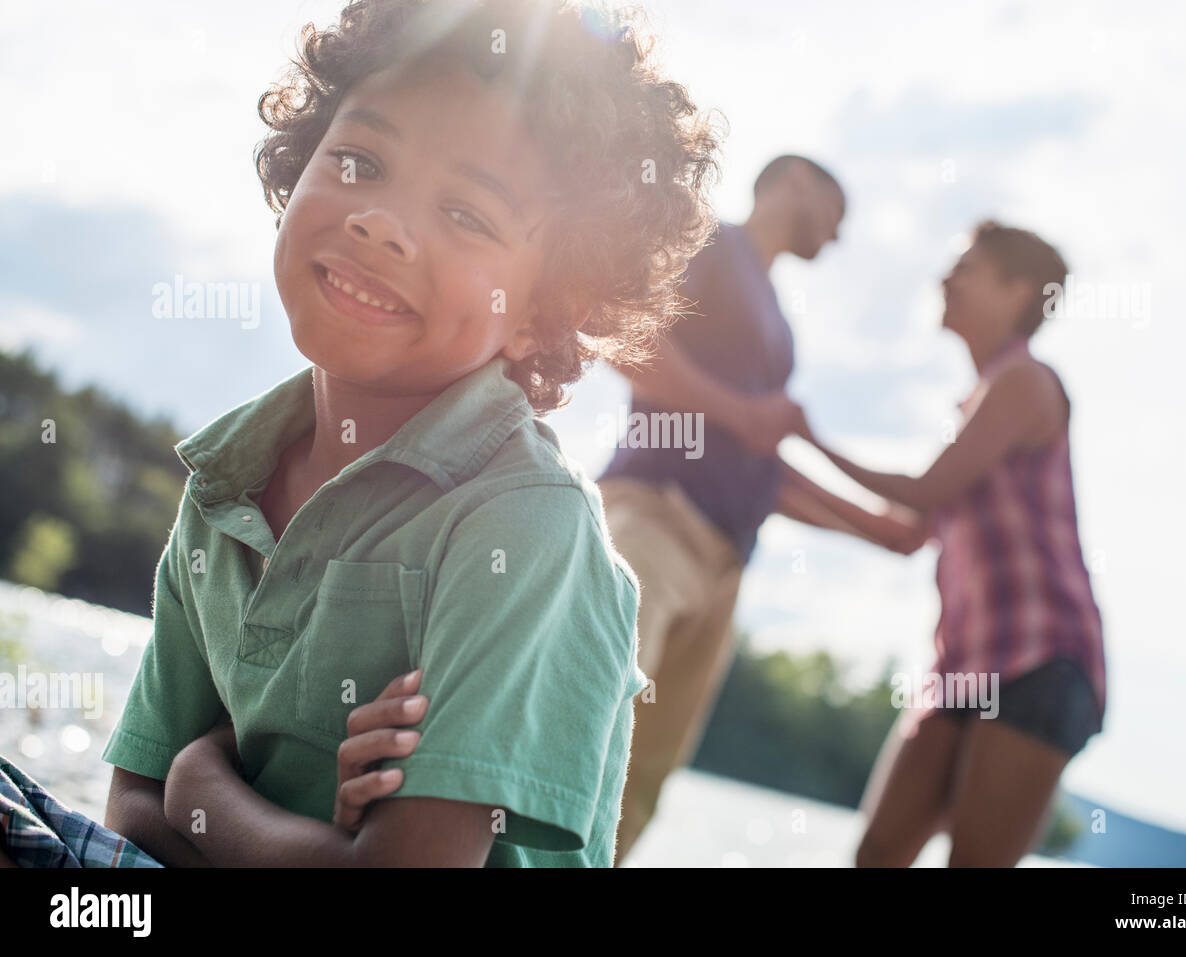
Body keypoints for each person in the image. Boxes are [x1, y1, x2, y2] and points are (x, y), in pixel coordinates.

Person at [0, 0, 725, 867]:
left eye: (467, 215)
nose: (380, 223)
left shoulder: (525, 526)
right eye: (357, 160)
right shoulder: (228, 482)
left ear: (544, 312)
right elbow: (131, 810)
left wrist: (204, 785)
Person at [597, 154, 919, 863]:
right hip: (652, 518)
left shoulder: (778, 324)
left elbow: (759, 466)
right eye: (837, 214)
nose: (836, 238)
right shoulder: (707, 242)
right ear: (795, 182)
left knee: (645, 775)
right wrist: (743, 412)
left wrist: (872, 527)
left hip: (725, 565)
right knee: (592, 721)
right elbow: (624, 334)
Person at [802, 220, 1107, 867]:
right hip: (964, 667)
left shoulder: (1025, 382)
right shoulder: (974, 407)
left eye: (966, 268)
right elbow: (902, 532)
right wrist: (772, 476)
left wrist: (805, 436)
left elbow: (924, 490)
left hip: (1041, 662)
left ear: (1017, 290)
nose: (946, 278)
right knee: (877, 854)